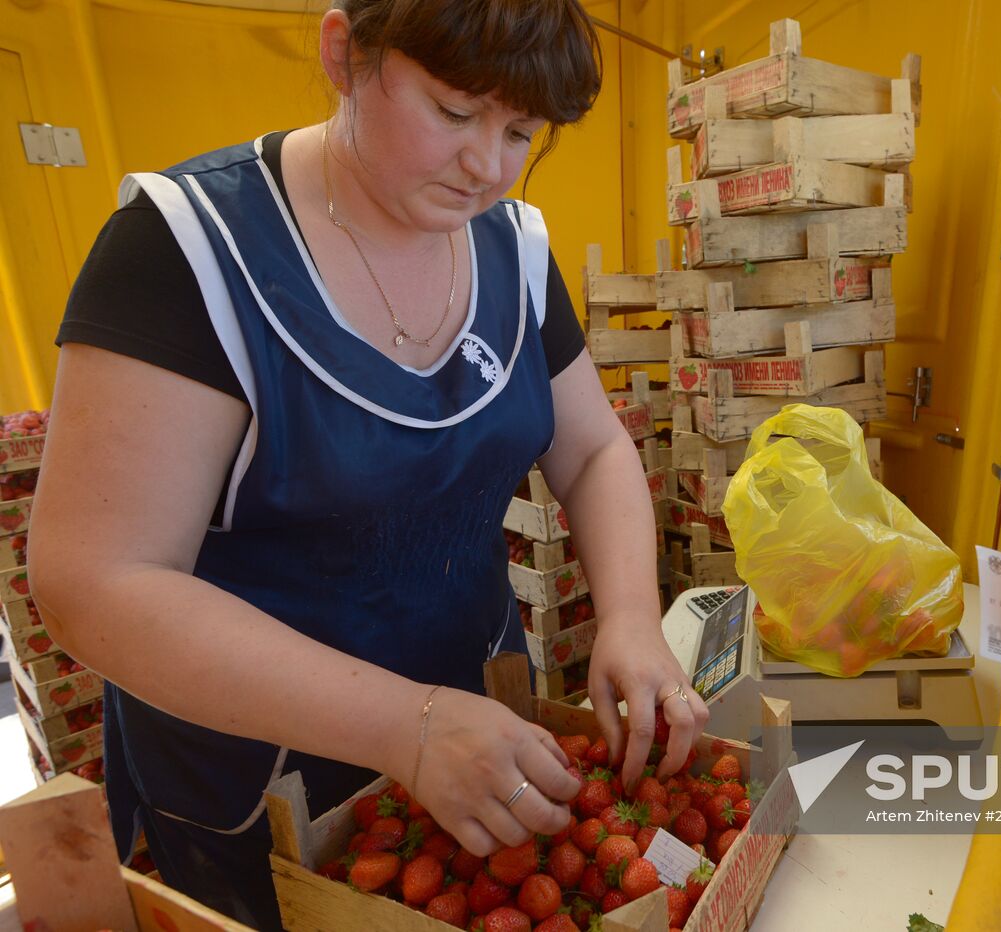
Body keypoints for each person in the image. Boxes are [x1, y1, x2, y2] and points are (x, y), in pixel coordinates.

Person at [25, 1, 708, 926]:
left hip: (481, 734)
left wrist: (629, 617)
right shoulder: (186, 250)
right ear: (344, 52)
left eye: (522, 132)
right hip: (259, 774)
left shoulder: (514, 248)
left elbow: (589, 449)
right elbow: (91, 581)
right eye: (456, 114)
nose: (487, 166)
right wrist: (406, 725)